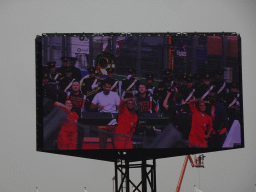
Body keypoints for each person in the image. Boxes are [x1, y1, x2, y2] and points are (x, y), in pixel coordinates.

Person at [90, 79, 120, 149]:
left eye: (109, 87)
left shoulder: (115, 94)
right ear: (103, 87)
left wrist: (117, 117)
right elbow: (91, 107)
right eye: (107, 87)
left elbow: (119, 107)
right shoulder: (98, 95)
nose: (108, 89)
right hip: (102, 118)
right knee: (102, 142)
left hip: (112, 118)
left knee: (115, 142)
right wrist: (98, 106)